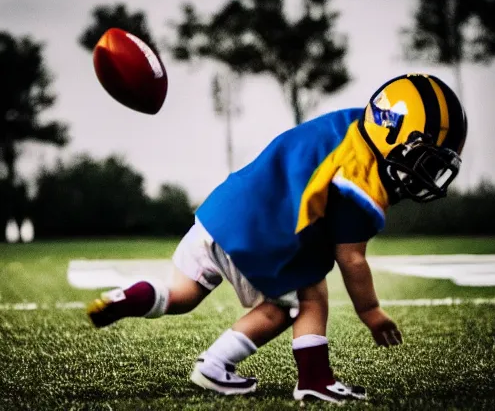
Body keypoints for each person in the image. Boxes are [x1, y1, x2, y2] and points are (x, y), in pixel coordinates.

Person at [87, 74, 467, 404]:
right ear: (393, 132)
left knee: (182, 294)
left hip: (222, 210)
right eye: (426, 159)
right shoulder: (361, 178)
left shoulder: (350, 124)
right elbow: (351, 259)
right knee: (304, 299)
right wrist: (370, 312)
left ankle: (132, 296)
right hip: (264, 232)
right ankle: (286, 376)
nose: (428, 172)